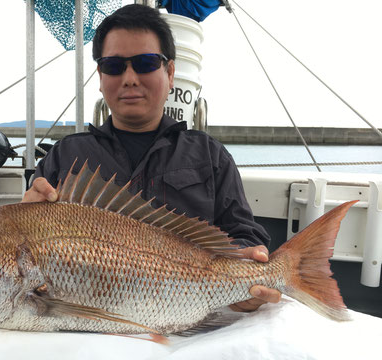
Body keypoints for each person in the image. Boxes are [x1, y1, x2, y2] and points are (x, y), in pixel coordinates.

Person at [22, 4, 281, 312]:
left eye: (145, 63)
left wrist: (248, 274)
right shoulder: (65, 157)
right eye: (114, 66)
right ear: (100, 76)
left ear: (170, 73)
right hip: (90, 324)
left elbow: (243, 233)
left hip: (191, 320)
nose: (130, 78)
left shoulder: (210, 155)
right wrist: (24, 220)